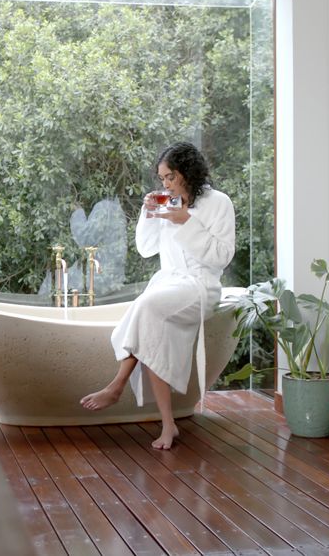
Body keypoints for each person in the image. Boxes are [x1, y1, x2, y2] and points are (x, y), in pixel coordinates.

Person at [79, 142, 235, 449]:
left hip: (201, 286)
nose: (164, 184)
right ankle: (168, 425)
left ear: (186, 172)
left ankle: (117, 384)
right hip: (169, 282)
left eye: (169, 177)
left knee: (146, 307)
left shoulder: (219, 203)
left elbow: (221, 256)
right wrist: (148, 213)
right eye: (161, 178)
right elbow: (146, 249)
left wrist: (185, 222)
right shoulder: (169, 201)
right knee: (150, 327)